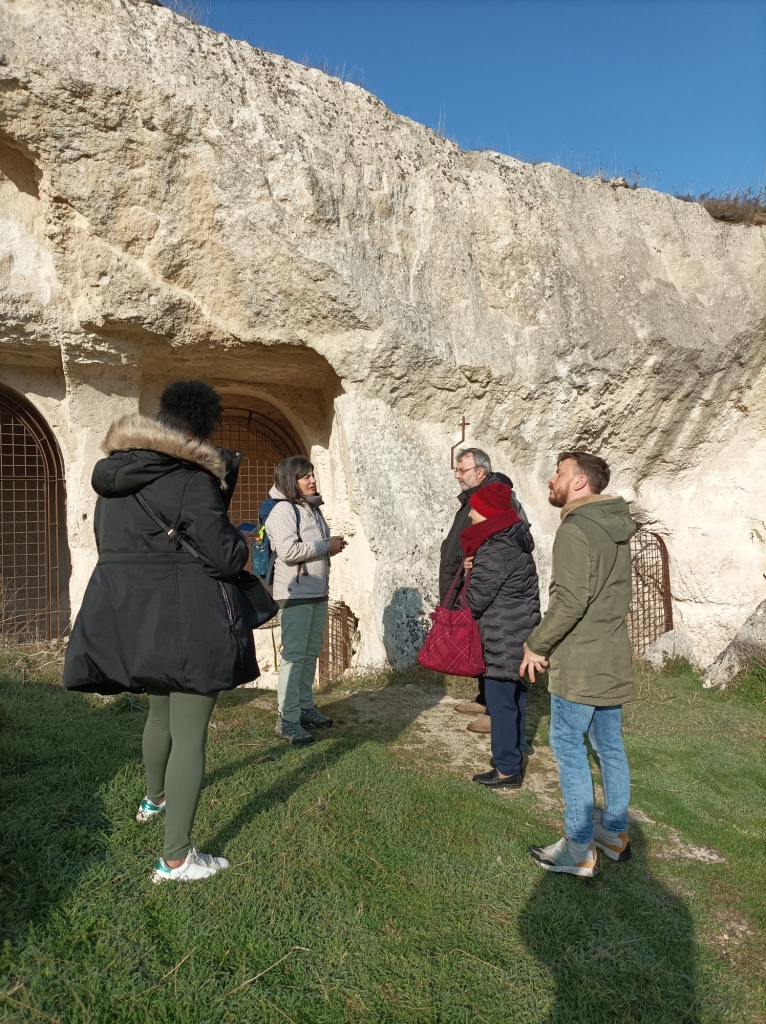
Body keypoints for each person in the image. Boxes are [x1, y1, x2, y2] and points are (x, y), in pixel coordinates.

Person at [63, 380, 259, 884]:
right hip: (187, 618)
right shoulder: (191, 479)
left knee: (159, 715)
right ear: (196, 434)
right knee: (190, 734)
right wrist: (242, 542)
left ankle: (154, 800)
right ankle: (176, 859)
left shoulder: (112, 479)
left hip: (132, 617)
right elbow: (224, 558)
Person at [521, 451, 636, 878]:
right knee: (609, 745)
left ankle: (578, 847)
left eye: (560, 473)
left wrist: (536, 644)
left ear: (580, 482)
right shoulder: (614, 526)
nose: (552, 479)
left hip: (582, 658)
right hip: (612, 653)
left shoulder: (576, 529)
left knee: (568, 745)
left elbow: (570, 601)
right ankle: (615, 834)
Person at [439, 447, 527, 733]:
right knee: (480, 642)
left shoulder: (497, 497)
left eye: (462, 470)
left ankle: (495, 712)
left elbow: (508, 537)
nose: (457, 475)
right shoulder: (473, 497)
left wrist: (480, 561)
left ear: (480, 471)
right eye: (456, 470)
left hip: (486, 582)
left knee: (492, 645)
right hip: (470, 577)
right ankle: (485, 698)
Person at [462, 482, 541, 788]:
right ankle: (516, 752)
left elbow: (476, 600)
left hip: (501, 636)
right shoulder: (514, 541)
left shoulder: (494, 548)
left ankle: (507, 769)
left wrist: (471, 573)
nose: (470, 514)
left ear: (489, 512)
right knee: (516, 697)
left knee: (500, 703)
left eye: (475, 508)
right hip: (520, 632)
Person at [265, 457, 347, 745]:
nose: (312, 480)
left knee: (310, 653)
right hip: (295, 594)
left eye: (312, 474)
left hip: (316, 592)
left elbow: (309, 548)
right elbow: (288, 551)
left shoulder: (311, 508)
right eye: (305, 476)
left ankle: (304, 707)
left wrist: (330, 547)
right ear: (292, 480)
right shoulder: (283, 510)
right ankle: (286, 720)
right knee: (294, 656)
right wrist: (325, 545)